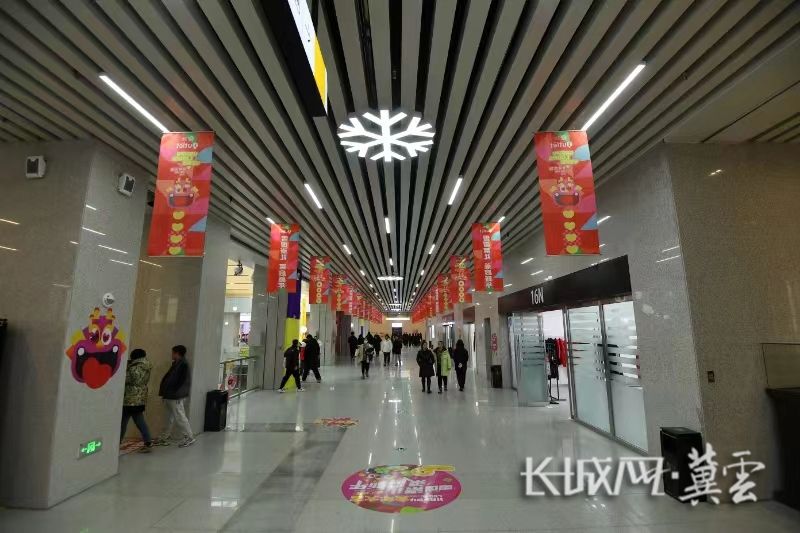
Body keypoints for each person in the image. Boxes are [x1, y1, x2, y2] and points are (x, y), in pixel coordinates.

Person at [153, 345, 195, 448]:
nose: (171, 354)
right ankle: (164, 437)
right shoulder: (176, 363)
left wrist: (176, 392)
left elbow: (183, 381)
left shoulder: (183, 364)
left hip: (175, 396)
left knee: (180, 416)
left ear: (177, 353)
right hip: (169, 395)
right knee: (168, 418)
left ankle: (189, 437)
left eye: (173, 353)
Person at [120, 348, 153, 452]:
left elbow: (127, 379)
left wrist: (126, 369)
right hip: (140, 398)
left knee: (123, 422)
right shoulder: (146, 366)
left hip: (130, 398)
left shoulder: (135, 367)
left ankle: (117, 442)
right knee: (139, 421)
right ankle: (148, 442)